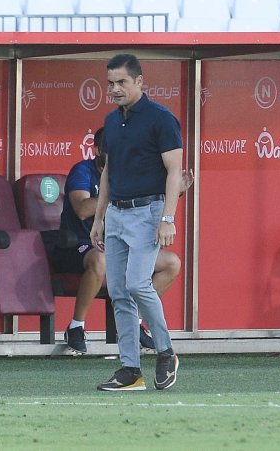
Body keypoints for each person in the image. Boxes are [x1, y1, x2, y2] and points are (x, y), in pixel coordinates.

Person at [92, 54, 183, 392]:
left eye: (122, 83)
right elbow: (108, 172)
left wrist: (167, 218)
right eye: (110, 83)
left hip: (148, 212)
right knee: (117, 292)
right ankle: (131, 369)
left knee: (136, 284)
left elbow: (175, 172)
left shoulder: (161, 118)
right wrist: (99, 218)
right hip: (115, 213)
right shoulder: (112, 122)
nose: (114, 89)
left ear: (140, 82)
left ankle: (166, 351)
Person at [55, 128, 190, 354]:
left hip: (119, 246)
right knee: (100, 260)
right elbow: (81, 209)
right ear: (99, 150)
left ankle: (133, 323)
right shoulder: (83, 171)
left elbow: (145, 207)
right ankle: (76, 326)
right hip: (79, 243)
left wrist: (174, 193)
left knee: (171, 263)